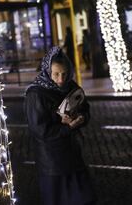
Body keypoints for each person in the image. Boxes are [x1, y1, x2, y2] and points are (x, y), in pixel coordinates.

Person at [24, 46, 96, 205]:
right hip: (52, 162)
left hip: (73, 156)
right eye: (56, 74)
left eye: (64, 74)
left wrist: (81, 118)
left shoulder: (71, 86)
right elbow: (40, 130)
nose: (61, 79)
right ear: (47, 72)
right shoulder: (36, 93)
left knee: (85, 198)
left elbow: (85, 108)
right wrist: (67, 127)